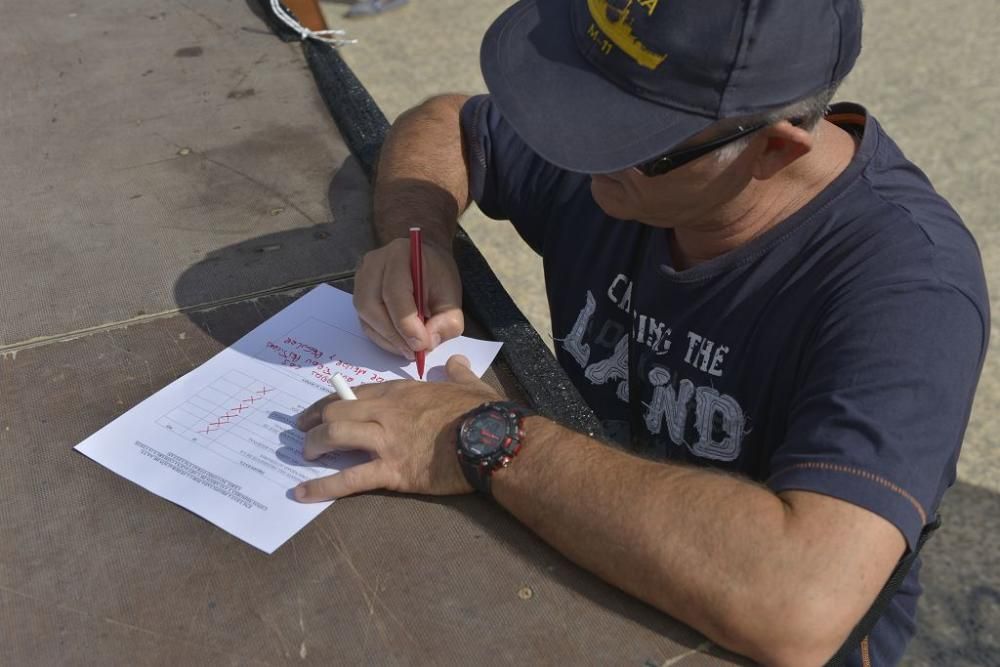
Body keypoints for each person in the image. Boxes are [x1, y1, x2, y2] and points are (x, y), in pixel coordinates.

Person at [293, 1, 989, 664]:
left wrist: (480, 437)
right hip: (565, 565)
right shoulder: (641, 166)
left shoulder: (909, 288)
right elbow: (450, 123)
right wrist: (419, 235)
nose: (577, 145)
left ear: (773, 148)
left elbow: (799, 602)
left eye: (624, 137)